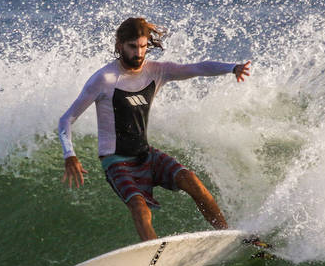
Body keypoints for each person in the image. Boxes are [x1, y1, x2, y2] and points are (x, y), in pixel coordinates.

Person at [58, 17, 252, 241]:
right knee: (140, 208)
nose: (139, 53)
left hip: (145, 154)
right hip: (116, 160)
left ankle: (227, 238)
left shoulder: (156, 71)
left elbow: (198, 68)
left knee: (192, 181)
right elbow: (66, 119)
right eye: (133, 47)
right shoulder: (103, 79)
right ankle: (155, 259)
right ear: (119, 45)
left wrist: (232, 68)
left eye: (143, 47)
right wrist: (69, 155)